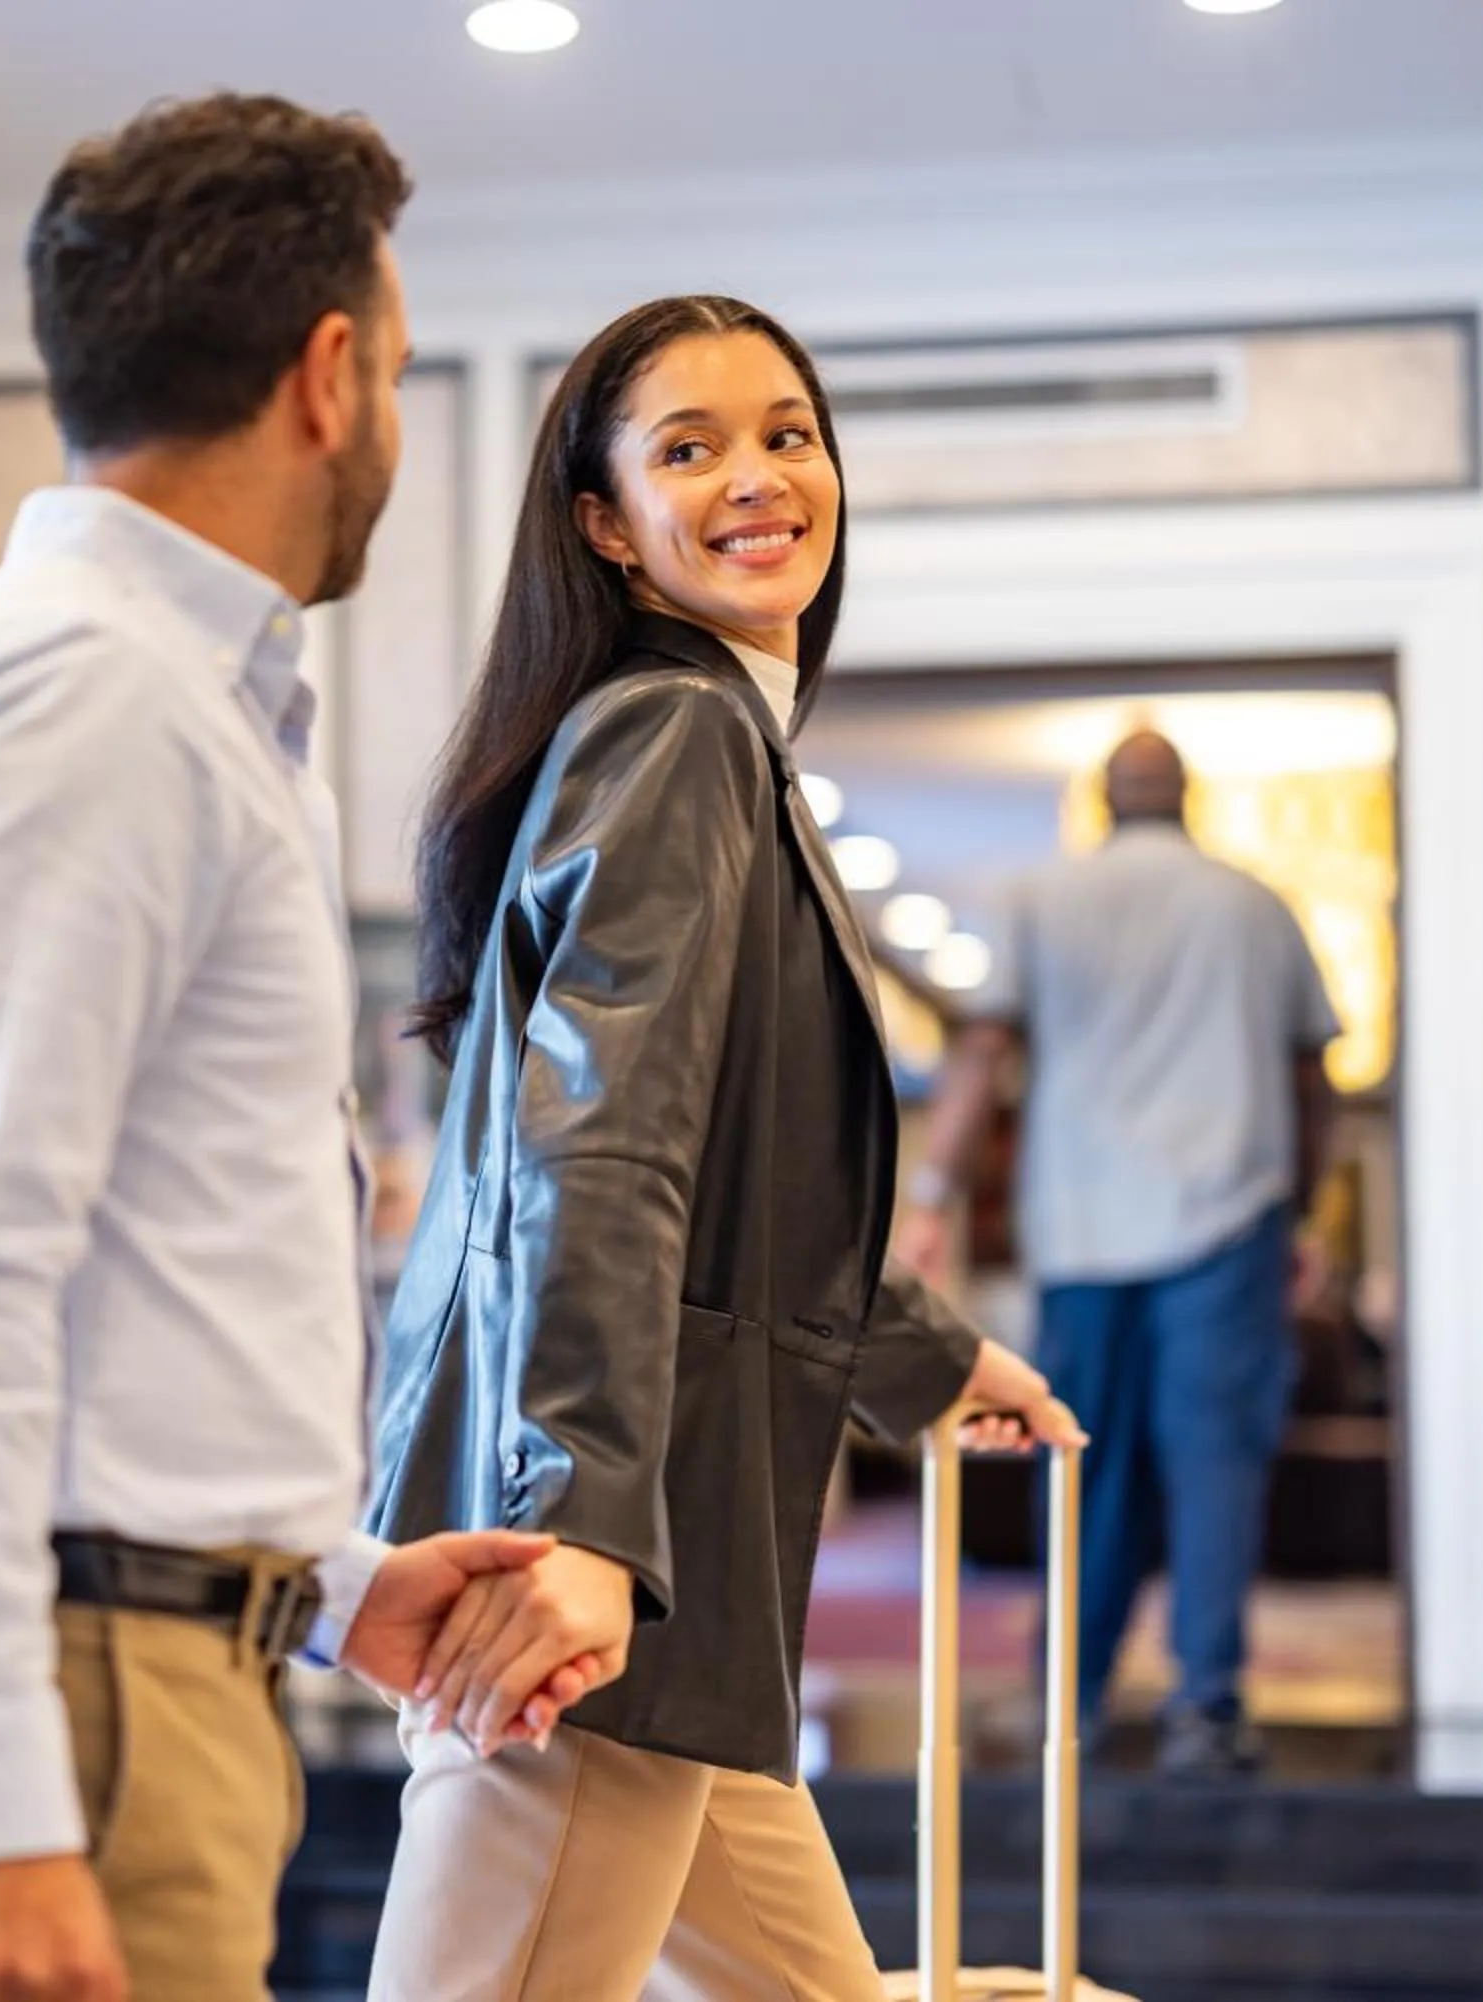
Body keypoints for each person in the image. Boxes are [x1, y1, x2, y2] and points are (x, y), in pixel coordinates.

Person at [0, 95, 599, 2002]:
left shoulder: (166, 696)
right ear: (327, 375)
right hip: (54, 1697)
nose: (381, 411)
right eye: (385, 359)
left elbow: (126, 1279)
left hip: (119, 1670)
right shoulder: (90, 694)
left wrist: (332, 1572)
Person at [360, 294, 1085, 2002]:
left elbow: (737, 1195)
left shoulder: (695, 742)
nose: (760, 477)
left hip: (670, 1571)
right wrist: (583, 1525)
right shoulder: (678, 734)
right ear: (607, 525)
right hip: (611, 1569)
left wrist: (921, 1354)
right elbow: (596, 1153)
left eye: (786, 432)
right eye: (688, 448)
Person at [893, 729, 1341, 1778]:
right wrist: (1307, 1217)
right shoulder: (1255, 905)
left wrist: (930, 1199)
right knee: (1215, 1460)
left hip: (1084, 1228)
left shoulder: (1041, 896)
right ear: (1187, 798)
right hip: (1230, 1215)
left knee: (1079, 1462)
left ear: (1102, 800)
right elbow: (1312, 1079)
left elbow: (983, 1053)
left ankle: (1072, 1701)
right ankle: (1206, 1704)